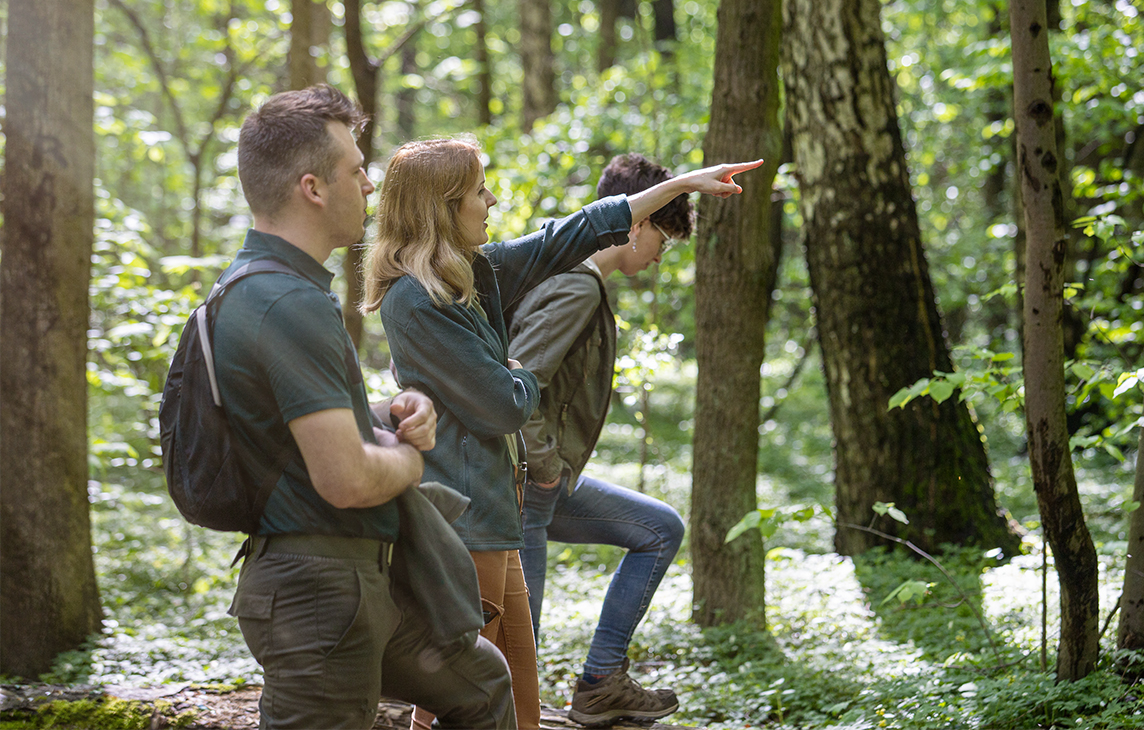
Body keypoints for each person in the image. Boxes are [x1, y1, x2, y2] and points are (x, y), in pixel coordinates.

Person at [361, 138, 761, 730]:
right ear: (443, 207)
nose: (491, 200)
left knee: (518, 698)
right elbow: (501, 407)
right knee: (457, 702)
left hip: (498, 509)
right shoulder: (416, 302)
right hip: (471, 519)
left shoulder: (472, 273)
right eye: (478, 191)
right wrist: (519, 380)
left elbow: (568, 235)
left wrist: (678, 186)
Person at [216, 85, 515, 730]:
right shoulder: (284, 302)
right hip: (317, 591)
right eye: (356, 170)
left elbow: (289, 423)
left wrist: (383, 412)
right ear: (312, 188)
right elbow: (347, 478)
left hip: (348, 578)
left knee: (483, 682)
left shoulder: (272, 290)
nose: (371, 188)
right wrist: (412, 458)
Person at [507, 153, 693, 727]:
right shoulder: (576, 286)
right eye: (664, 234)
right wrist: (542, 466)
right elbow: (517, 380)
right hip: (521, 486)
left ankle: (602, 683)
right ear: (636, 223)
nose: (664, 252)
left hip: (542, 483)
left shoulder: (557, 264)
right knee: (518, 652)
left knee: (660, 528)